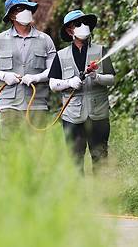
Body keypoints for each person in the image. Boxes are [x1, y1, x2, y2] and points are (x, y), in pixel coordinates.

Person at [0, 0, 56, 138]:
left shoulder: (45, 40)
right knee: (11, 150)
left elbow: (54, 70)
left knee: (37, 150)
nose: (25, 12)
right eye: (19, 9)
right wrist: (4, 75)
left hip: (36, 104)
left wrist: (37, 77)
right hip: (9, 104)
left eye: (27, 8)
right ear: (11, 16)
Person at [48, 10, 116, 172]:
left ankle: (101, 195)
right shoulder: (60, 56)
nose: (83, 27)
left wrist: (96, 77)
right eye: (78, 24)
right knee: (75, 160)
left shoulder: (100, 51)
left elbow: (112, 79)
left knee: (100, 159)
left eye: (85, 23)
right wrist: (69, 83)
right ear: (69, 30)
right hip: (72, 117)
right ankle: (79, 195)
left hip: (98, 115)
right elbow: (52, 84)